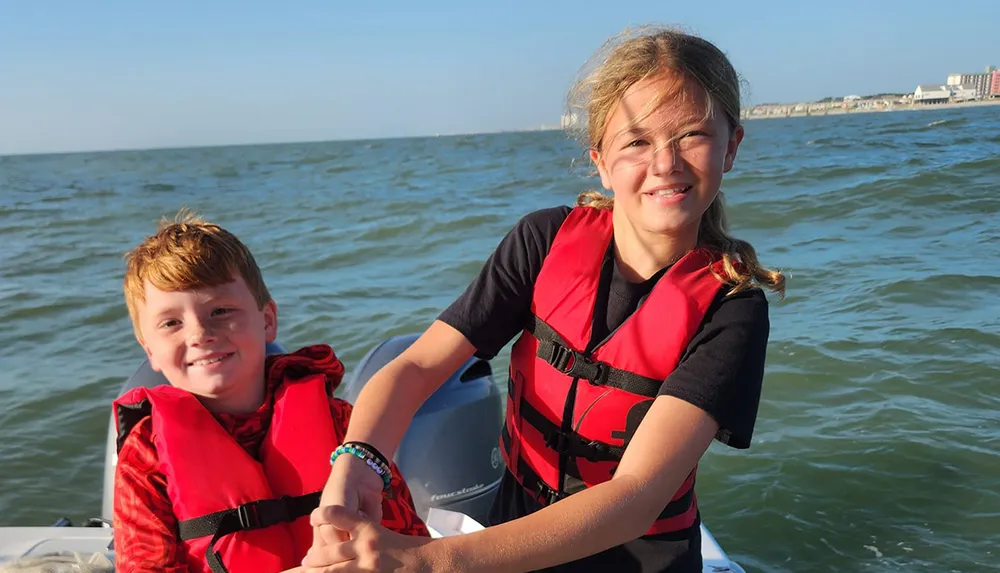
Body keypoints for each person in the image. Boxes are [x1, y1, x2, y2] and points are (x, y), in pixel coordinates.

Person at [304, 24, 785, 573]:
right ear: (601, 162)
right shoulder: (542, 242)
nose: (666, 163)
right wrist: (358, 460)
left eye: (692, 136)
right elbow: (416, 365)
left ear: (732, 147)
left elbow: (637, 496)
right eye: (637, 141)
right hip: (512, 538)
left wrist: (430, 561)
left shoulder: (732, 309)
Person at [111, 211, 429, 573]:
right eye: (171, 323)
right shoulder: (145, 454)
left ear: (267, 320)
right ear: (148, 348)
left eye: (220, 311)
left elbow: (407, 543)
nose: (199, 334)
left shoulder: (342, 423)